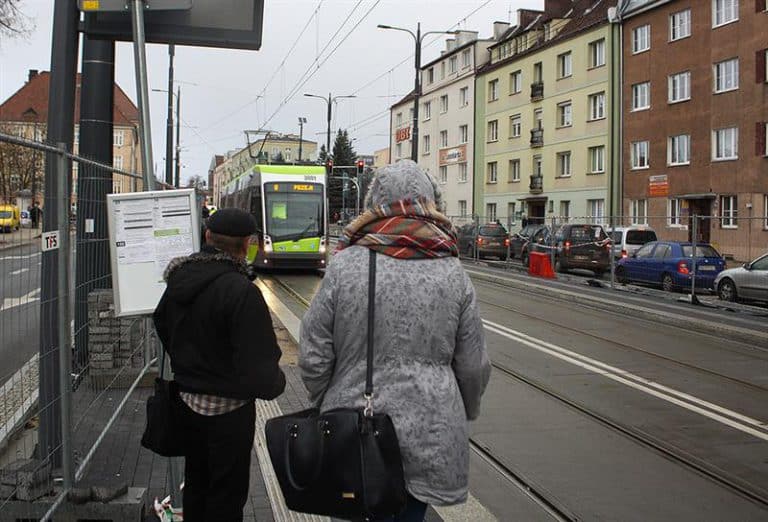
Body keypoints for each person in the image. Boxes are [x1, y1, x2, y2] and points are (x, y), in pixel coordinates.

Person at [299, 160, 491, 522]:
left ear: (375, 202)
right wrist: (462, 410)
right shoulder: (453, 271)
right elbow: (474, 364)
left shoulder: (345, 264)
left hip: (353, 427)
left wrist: (325, 398)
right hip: (431, 434)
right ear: (430, 203)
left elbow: (313, 352)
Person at [153, 208, 286, 522]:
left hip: (188, 405)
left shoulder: (179, 281)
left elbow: (162, 322)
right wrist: (277, 383)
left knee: (197, 486)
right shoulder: (242, 292)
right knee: (226, 498)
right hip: (230, 416)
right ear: (247, 245)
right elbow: (262, 372)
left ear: (208, 237)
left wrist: (187, 365)